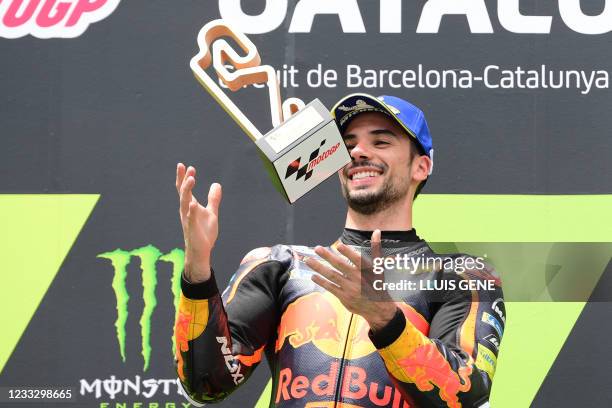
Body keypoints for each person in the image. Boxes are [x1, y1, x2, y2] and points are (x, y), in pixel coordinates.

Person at [173, 94, 504, 408]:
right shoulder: (280, 267)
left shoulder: (463, 277)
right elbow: (206, 384)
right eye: (348, 145)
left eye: (381, 141)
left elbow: (466, 395)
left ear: (421, 166)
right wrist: (198, 271)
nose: (359, 151)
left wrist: (385, 319)